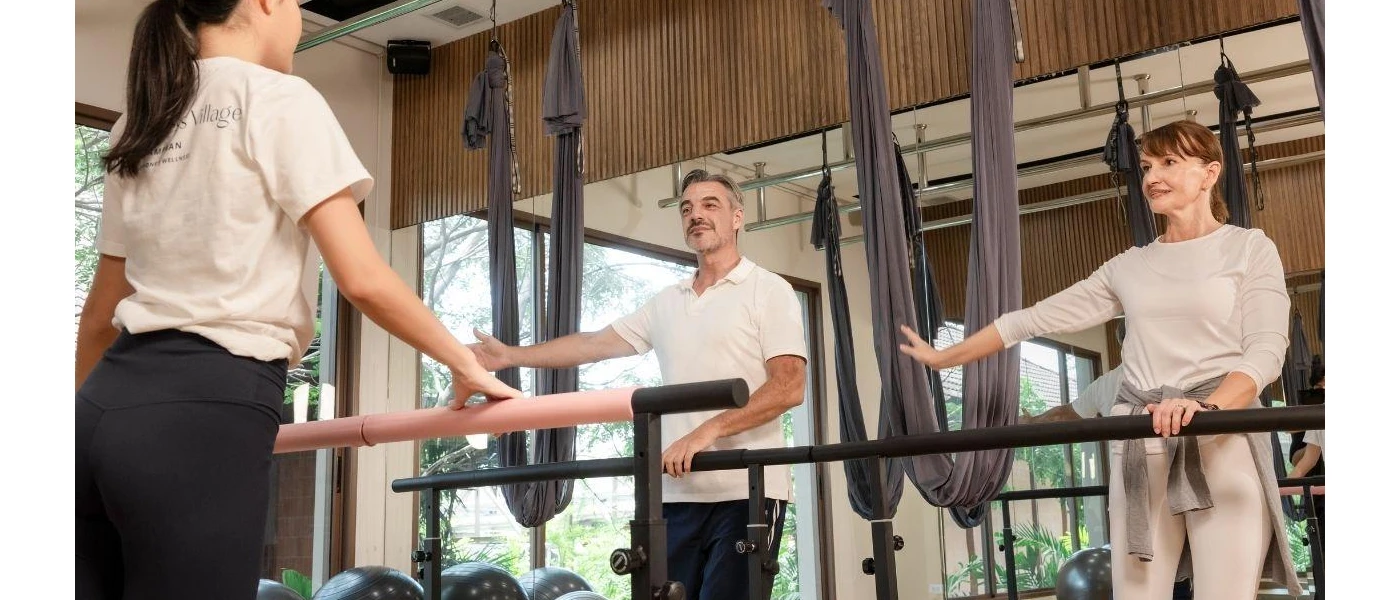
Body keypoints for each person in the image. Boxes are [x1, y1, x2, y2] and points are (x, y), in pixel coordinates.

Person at [75, 2, 520, 598]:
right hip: (203, 411)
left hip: (101, 411)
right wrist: (463, 362)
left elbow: (101, 316)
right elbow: (360, 278)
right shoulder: (281, 98)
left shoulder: (142, 116)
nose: (297, 20)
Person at [897, 120, 1300, 599]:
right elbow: (1029, 320)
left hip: (1220, 438)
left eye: (1170, 163)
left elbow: (1267, 349)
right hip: (1139, 439)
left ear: (1210, 173)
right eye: (1148, 166)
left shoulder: (1249, 248)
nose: (1152, 177)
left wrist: (1207, 408)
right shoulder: (1128, 266)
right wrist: (946, 357)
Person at [469, 169, 809, 599]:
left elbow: (789, 387)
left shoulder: (768, 290)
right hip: (674, 493)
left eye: (710, 205)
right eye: (687, 208)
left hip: (747, 491)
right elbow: (593, 344)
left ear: (738, 217)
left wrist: (710, 429)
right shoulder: (667, 301)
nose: (695, 215)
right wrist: (510, 356)